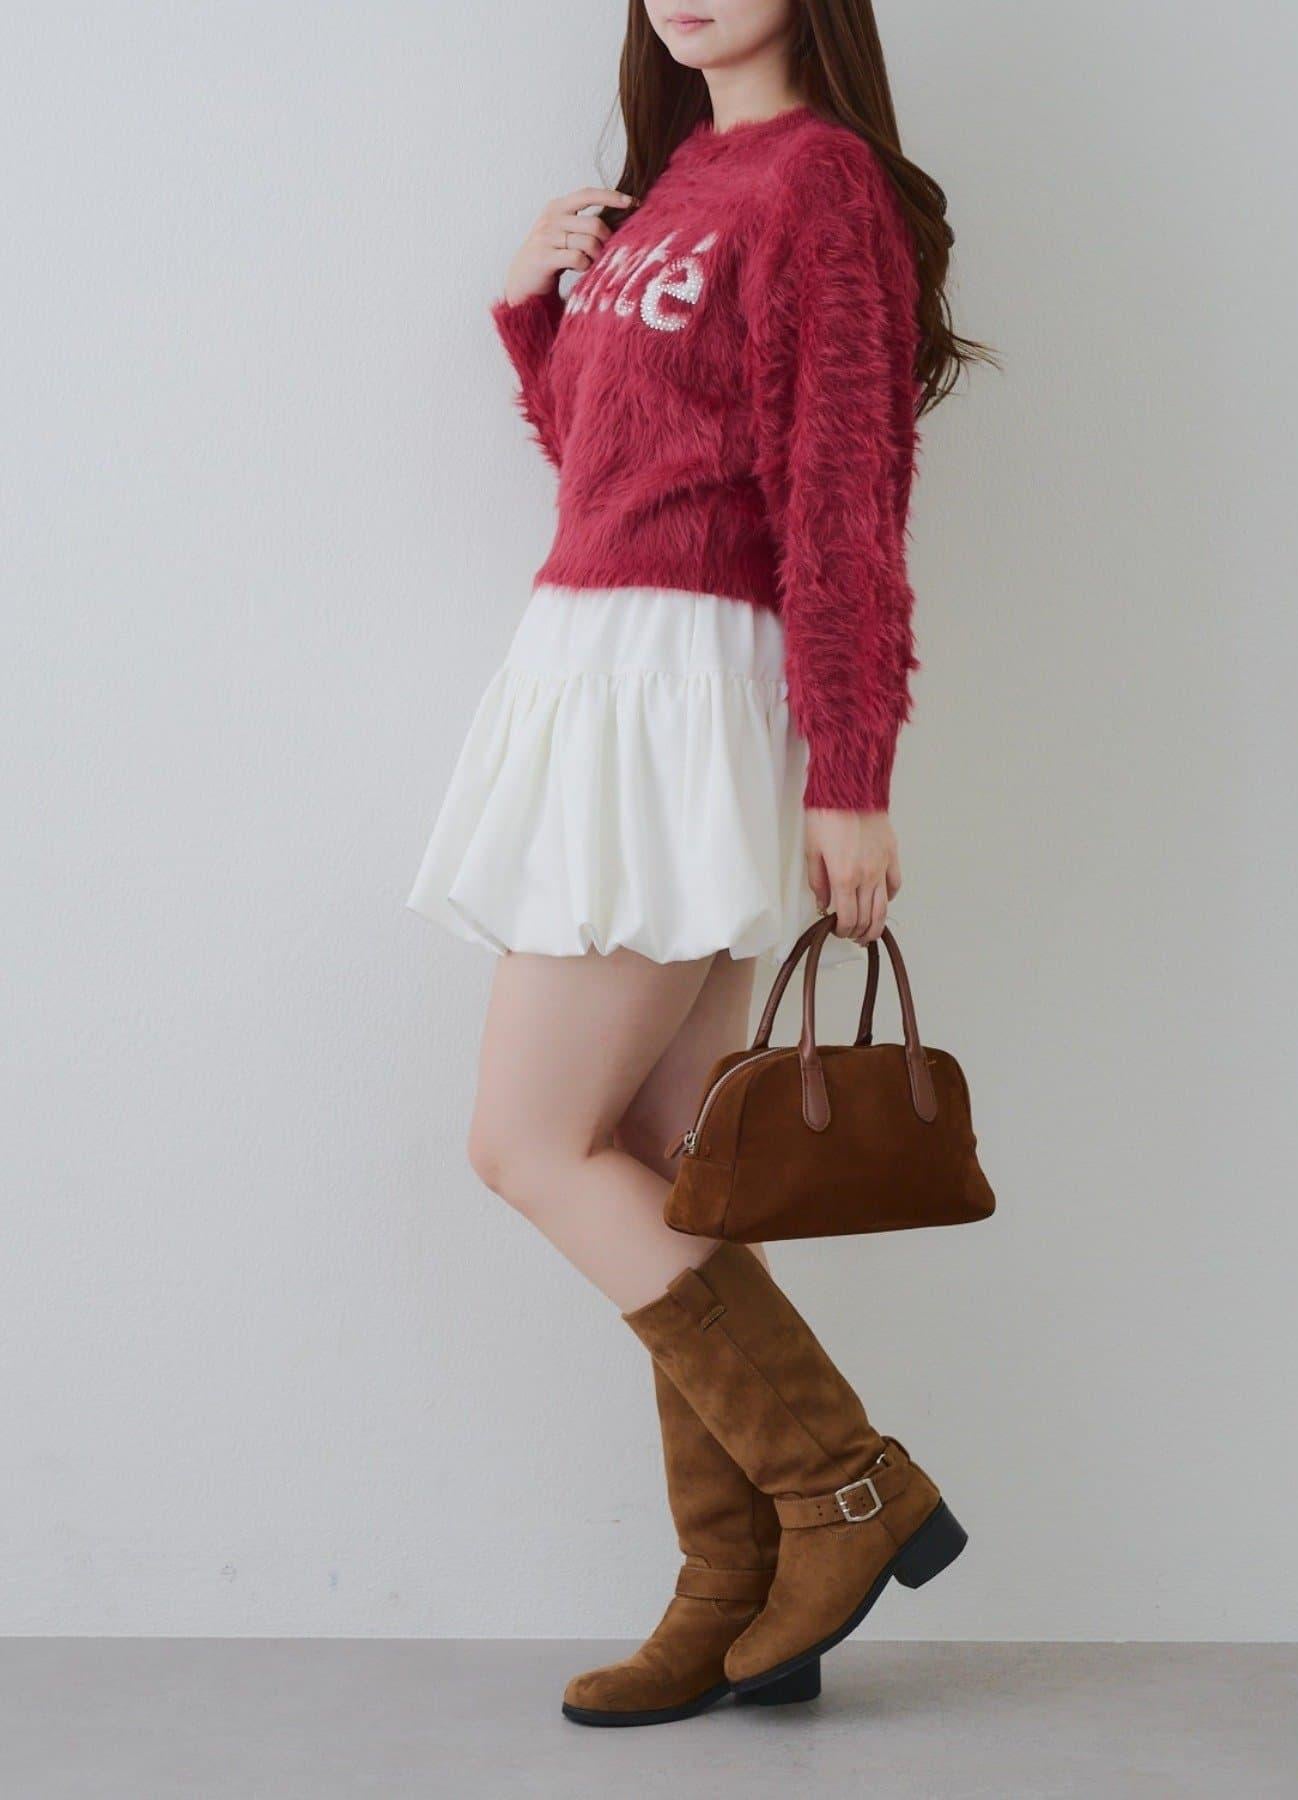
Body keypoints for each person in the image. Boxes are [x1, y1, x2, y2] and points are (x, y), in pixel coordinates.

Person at [408, 0, 990, 1726]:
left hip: (680, 684)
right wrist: (536, 312)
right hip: (593, 665)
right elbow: (618, 457)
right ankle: (733, 1590)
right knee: (668, 1161)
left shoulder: (819, 182)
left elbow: (843, 490)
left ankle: (847, 1487)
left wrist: (853, 768)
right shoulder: (671, 184)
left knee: (525, 1142)